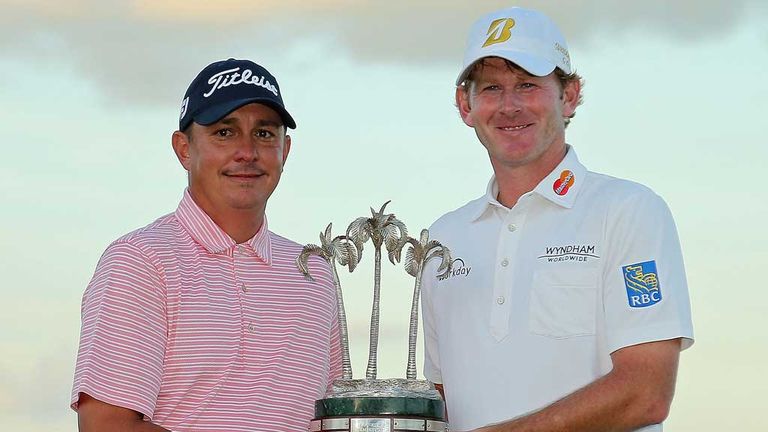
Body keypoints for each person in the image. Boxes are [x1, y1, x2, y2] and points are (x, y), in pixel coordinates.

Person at [420, 7, 694, 432]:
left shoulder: (628, 210)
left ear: (569, 95)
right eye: (491, 88)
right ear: (465, 105)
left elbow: (646, 392)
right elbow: (440, 400)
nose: (509, 106)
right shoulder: (443, 238)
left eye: (527, 84)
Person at [71, 58, 342, 431]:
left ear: (285, 150)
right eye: (224, 132)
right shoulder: (141, 261)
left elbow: (331, 421)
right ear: (184, 148)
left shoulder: (314, 273)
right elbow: (107, 425)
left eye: (264, 133)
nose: (247, 151)